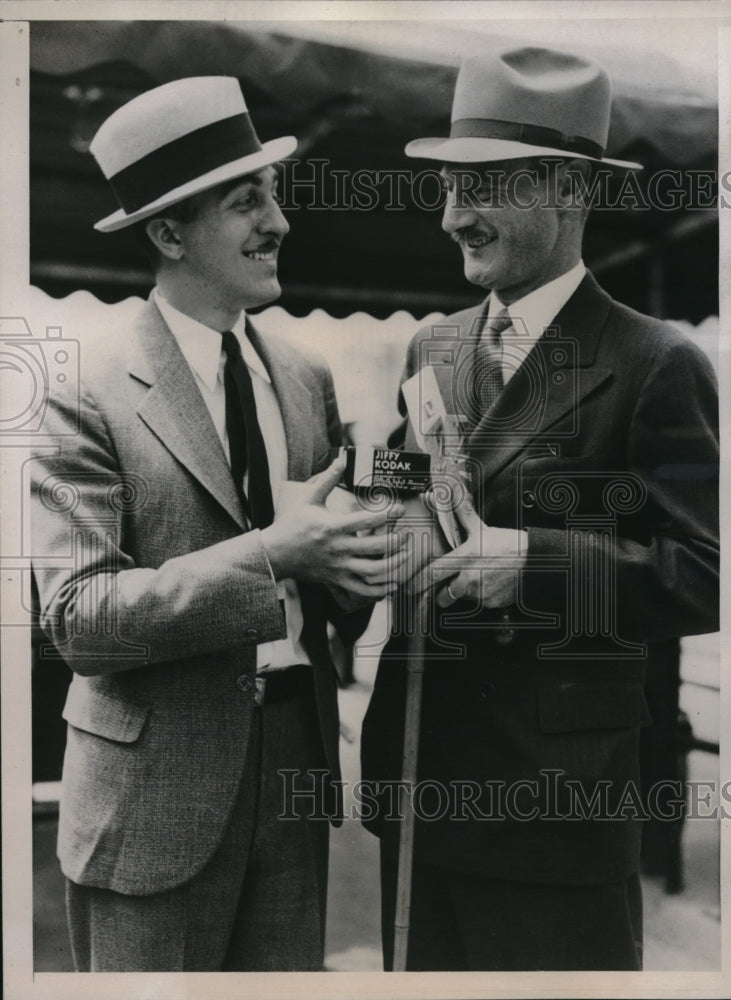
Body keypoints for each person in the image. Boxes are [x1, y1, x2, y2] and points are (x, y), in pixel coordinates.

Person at [31, 76, 405, 972]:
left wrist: (350, 573)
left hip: (295, 770)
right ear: (167, 234)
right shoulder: (86, 392)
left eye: (272, 195)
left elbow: (324, 587)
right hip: (150, 797)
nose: (277, 222)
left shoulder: (307, 377)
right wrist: (273, 553)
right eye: (247, 202)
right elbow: (79, 619)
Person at [361, 46, 719, 971]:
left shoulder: (656, 362)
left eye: (477, 186)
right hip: (419, 783)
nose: (450, 218)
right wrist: (366, 519)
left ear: (565, 186)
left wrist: (532, 562)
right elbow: (408, 488)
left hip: (553, 818)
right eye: (447, 187)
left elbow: (704, 576)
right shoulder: (428, 348)